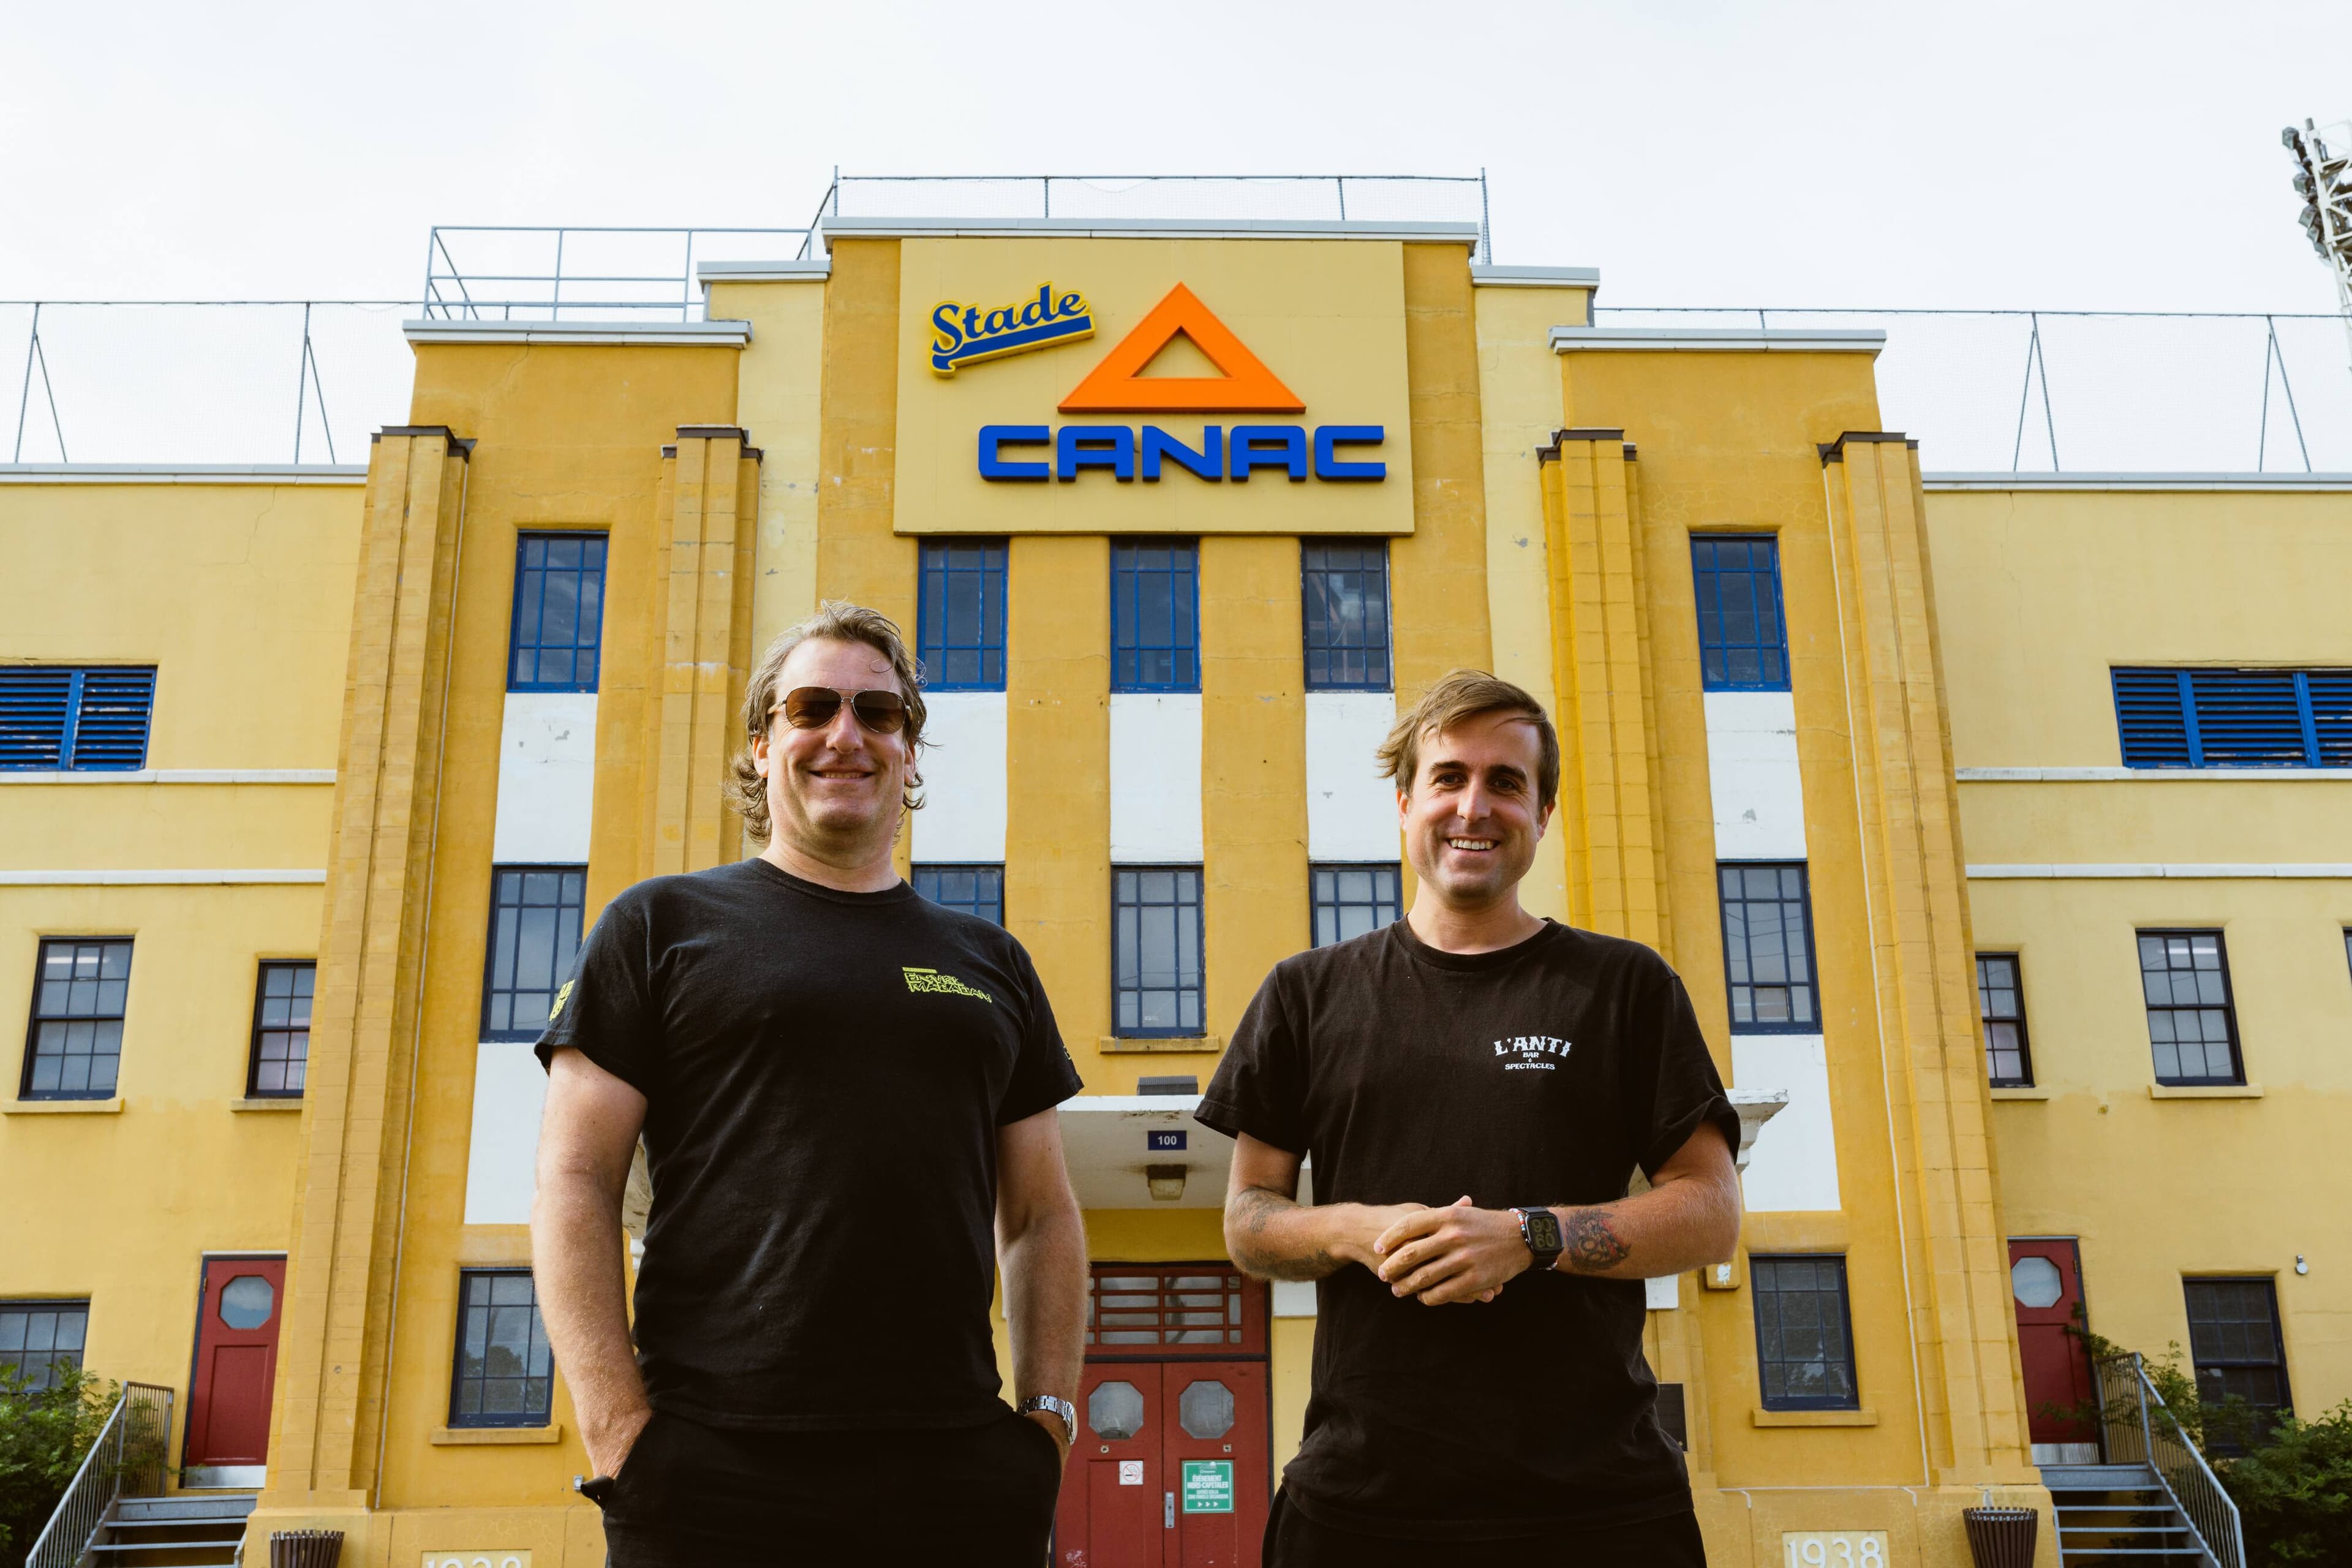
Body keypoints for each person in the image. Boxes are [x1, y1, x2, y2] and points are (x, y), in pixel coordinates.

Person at [530, 601, 1088, 1567]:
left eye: (879, 714)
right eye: (813, 708)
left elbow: (1040, 1214)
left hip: (955, 1476)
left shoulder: (989, 960)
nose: (847, 735)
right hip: (712, 1473)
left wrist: (1043, 1426)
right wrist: (619, 1433)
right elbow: (572, 1184)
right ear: (761, 745)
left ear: (910, 752)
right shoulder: (659, 927)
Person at [1197, 669, 1743, 1567]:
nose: (1473, 806)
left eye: (1506, 781)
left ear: (1544, 812)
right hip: (1359, 1508)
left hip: (1599, 1509)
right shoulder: (1307, 995)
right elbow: (1250, 1224)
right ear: (1407, 801)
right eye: (1449, 777)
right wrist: (1358, 1229)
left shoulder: (1623, 989)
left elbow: (1711, 1211)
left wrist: (1528, 1236)